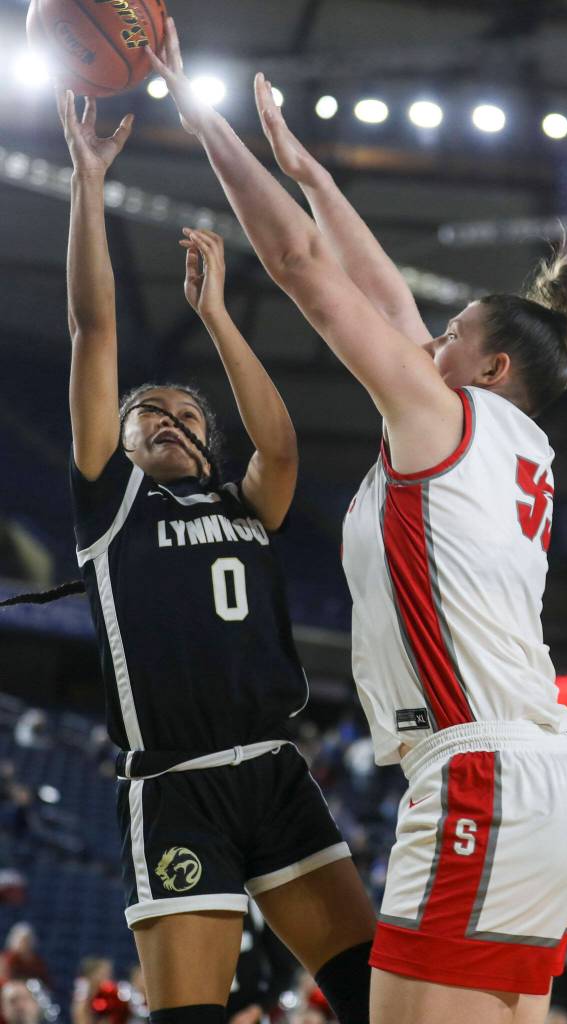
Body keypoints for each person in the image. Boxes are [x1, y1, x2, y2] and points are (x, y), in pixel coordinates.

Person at [149, 19, 567, 1024]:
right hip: (545, 788)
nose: (423, 341)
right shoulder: (504, 437)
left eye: (448, 335)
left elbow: (301, 267)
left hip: (484, 778)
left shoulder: (445, 415)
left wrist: (193, 107)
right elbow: (375, 283)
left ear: (490, 368)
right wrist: (313, 172)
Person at [0, 88, 377, 1024]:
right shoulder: (112, 501)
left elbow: (281, 450)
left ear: (208, 442)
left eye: (185, 416)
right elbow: (96, 330)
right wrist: (89, 183)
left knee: (374, 995)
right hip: (175, 784)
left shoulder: (244, 499)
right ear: (117, 443)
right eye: (146, 416)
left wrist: (216, 316)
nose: (165, 421)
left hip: (277, 773)